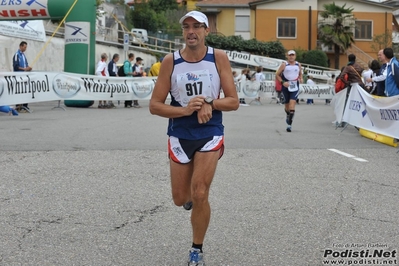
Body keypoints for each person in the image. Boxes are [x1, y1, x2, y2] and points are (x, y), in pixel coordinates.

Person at [149, 10, 239, 266]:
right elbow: (155, 105)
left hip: (210, 131)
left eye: (197, 27)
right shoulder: (171, 61)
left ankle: (196, 249)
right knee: (181, 198)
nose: (191, 31)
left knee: (200, 193)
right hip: (180, 132)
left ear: (206, 31)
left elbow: (233, 102)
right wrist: (185, 110)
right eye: (186, 27)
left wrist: (210, 101)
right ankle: (190, 202)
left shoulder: (218, 57)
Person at [275, 50, 303, 132]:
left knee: (292, 104)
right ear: (287, 56)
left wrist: (301, 78)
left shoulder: (298, 64)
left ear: (295, 56)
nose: (291, 57)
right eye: (290, 55)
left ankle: (289, 125)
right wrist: (283, 82)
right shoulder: (284, 65)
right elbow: (277, 75)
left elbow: (300, 74)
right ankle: (288, 115)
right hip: (286, 86)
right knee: (287, 106)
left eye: (293, 55)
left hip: (295, 86)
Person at [13, 41, 32, 113]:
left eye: (26, 47)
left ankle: (25, 106)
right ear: (20, 46)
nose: (25, 48)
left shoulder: (23, 56)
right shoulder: (16, 55)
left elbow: (26, 65)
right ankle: (18, 106)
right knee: (19, 91)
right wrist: (24, 69)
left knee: (26, 90)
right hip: (18, 76)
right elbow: (15, 66)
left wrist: (28, 68)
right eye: (24, 47)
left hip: (24, 76)